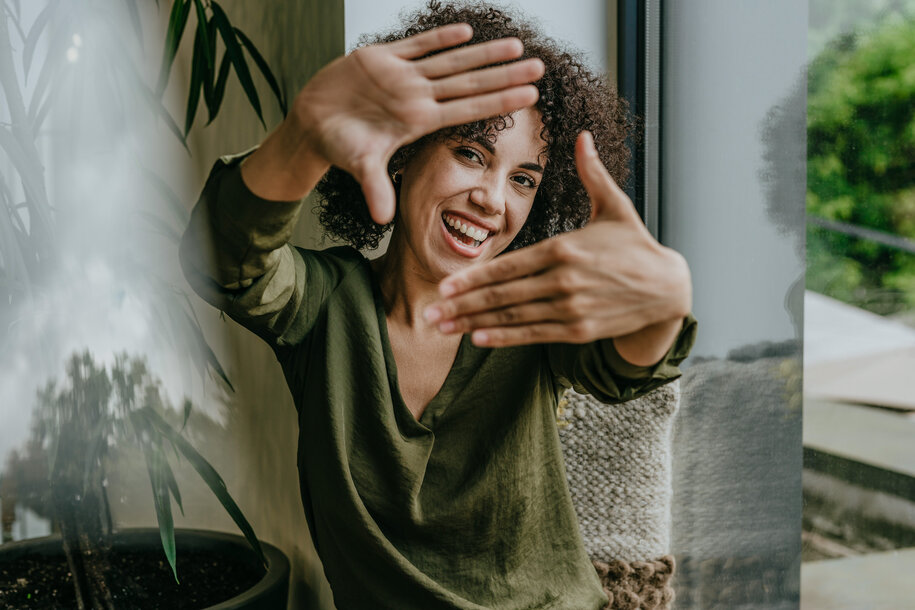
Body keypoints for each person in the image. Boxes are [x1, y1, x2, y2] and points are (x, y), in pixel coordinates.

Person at [179, 2, 697, 608]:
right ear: (405, 154)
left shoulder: (525, 312)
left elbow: (624, 367)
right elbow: (227, 261)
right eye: (472, 153)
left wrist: (662, 308)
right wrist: (302, 137)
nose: (491, 199)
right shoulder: (325, 305)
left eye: (523, 179)